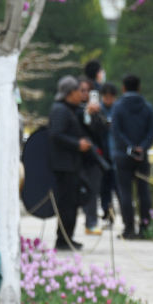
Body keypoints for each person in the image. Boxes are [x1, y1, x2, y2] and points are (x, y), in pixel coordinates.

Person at [48, 75, 96, 251]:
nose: (81, 95)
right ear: (69, 93)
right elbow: (56, 135)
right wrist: (77, 144)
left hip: (71, 165)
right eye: (78, 91)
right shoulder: (60, 110)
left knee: (72, 203)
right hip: (64, 166)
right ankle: (63, 239)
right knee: (67, 204)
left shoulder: (68, 109)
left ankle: (68, 237)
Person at [111, 74, 153, 239]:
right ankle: (145, 228)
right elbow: (152, 131)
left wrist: (129, 148)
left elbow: (116, 131)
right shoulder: (147, 107)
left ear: (123, 88)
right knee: (144, 192)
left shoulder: (118, 107)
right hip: (142, 157)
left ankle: (128, 228)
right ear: (139, 88)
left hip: (123, 156)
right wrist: (142, 148)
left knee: (125, 193)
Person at [79, 77, 110, 235]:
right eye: (82, 90)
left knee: (93, 190)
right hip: (77, 158)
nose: (85, 94)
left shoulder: (98, 110)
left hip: (94, 157)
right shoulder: (74, 109)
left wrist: (96, 115)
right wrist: (86, 114)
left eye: (88, 91)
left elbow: (102, 130)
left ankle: (91, 222)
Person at [98, 83, 119, 226]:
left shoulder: (118, 110)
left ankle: (120, 213)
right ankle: (106, 212)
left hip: (116, 153)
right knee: (103, 187)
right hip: (102, 152)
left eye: (111, 97)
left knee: (117, 186)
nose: (108, 100)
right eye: (106, 97)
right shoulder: (97, 110)